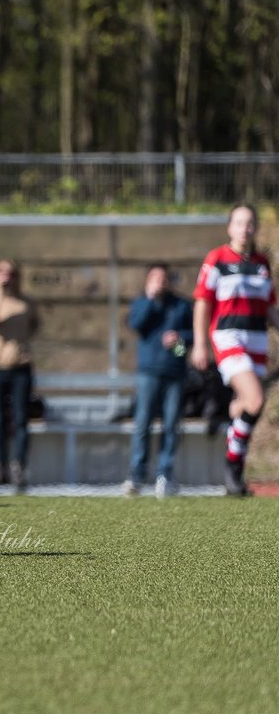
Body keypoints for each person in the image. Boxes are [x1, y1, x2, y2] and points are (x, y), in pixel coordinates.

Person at [191, 203, 279, 497]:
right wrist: (201, 343)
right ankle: (232, 466)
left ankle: (234, 478)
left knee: (242, 406)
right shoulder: (216, 259)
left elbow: (269, 308)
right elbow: (203, 302)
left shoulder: (261, 263)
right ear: (230, 227)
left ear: (255, 228)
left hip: (256, 342)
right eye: (239, 223)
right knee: (255, 399)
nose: (245, 228)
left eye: (250, 223)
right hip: (228, 339)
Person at [123, 262, 193, 498]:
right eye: (155, 279)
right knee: (143, 424)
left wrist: (180, 340)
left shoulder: (182, 305)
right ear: (148, 281)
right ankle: (137, 475)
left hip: (175, 372)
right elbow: (136, 326)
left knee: (171, 425)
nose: (160, 283)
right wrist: (151, 301)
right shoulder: (141, 303)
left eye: (164, 279)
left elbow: (190, 342)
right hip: (147, 373)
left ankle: (165, 475)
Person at [0, 258, 38, 490]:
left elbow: (34, 326)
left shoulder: (26, 303)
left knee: (21, 419)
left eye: (10, 273)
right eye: (2, 272)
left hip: (20, 368)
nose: (6, 277)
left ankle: (19, 467)